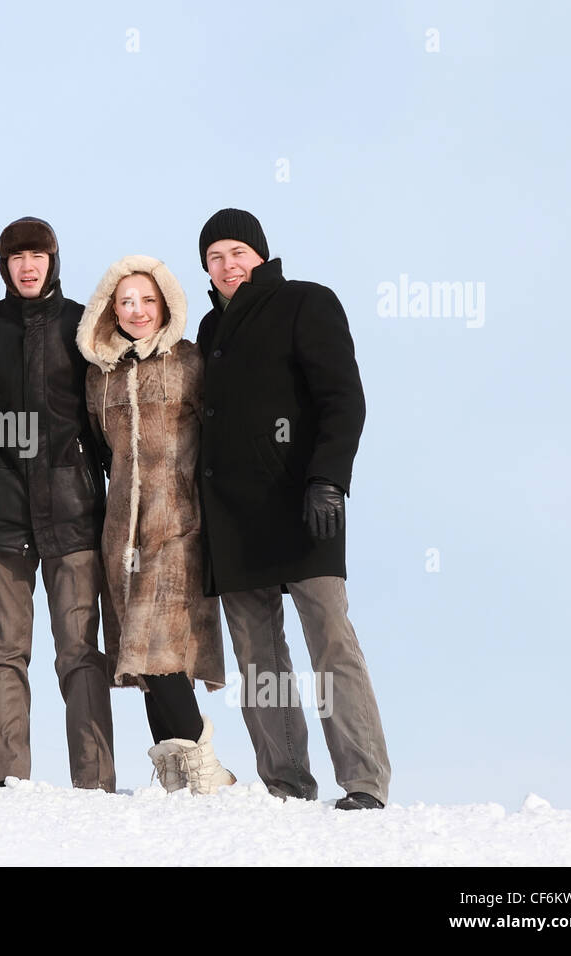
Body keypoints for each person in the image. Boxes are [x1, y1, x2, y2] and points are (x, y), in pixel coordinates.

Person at [195, 208, 391, 810]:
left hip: (306, 500)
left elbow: (343, 397)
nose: (228, 266)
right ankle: (285, 783)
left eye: (238, 253)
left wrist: (328, 479)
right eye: (215, 257)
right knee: (258, 653)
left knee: (330, 637)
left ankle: (363, 781)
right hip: (232, 512)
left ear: (260, 254)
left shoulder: (307, 301)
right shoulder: (207, 329)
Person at [0, 217, 116, 792]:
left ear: (53, 261)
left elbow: (108, 417)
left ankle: (95, 783)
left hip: (73, 512)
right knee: (2, 653)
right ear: (4, 266)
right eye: (17, 257)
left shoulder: (83, 324)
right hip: (1, 511)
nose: (28, 266)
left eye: (38, 256)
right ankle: (9, 784)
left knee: (80, 653)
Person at [76, 255, 235, 794]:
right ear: (109, 308)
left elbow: (219, 433)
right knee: (138, 648)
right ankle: (174, 768)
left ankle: (205, 763)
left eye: (147, 300)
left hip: (178, 518)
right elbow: (103, 451)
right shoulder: (99, 376)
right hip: (121, 527)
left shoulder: (190, 362)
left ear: (165, 304)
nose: (137, 311)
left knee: (159, 640)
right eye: (126, 301)